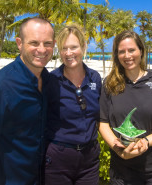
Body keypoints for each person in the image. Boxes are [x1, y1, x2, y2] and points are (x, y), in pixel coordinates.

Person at [0, 17, 55, 185]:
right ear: (19, 43)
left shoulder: (49, 81)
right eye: (34, 43)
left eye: (48, 43)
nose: (42, 49)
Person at [99, 30, 152, 185]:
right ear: (116, 55)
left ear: (141, 51)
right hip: (121, 173)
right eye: (121, 51)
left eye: (132, 50)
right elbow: (103, 122)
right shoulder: (109, 84)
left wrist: (146, 140)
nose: (127, 55)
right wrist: (118, 149)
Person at [44, 24, 101, 185]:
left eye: (73, 47)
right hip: (58, 158)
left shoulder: (95, 78)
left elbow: (99, 116)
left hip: (89, 159)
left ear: (83, 47)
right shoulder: (52, 80)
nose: (68, 53)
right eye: (64, 48)